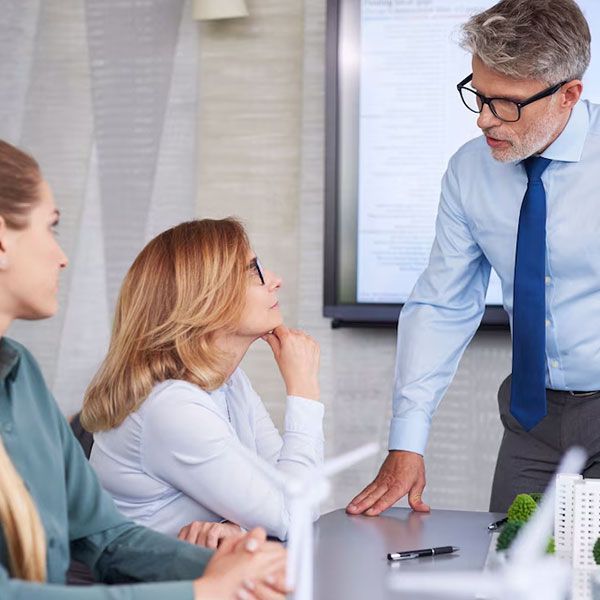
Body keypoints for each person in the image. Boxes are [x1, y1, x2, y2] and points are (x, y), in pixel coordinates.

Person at [0, 138, 288, 599]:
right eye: (50, 228)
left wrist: (228, 566)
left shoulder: (23, 375)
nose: (62, 256)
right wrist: (201, 590)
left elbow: (102, 536)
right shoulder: (171, 403)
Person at [347, 0, 600, 516]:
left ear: (569, 95)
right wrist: (407, 441)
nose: (485, 119)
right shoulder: (469, 171)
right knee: (507, 569)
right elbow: (443, 304)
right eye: (478, 96)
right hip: (534, 419)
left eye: (505, 103)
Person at [80, 218, 323, 546]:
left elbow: (288, 495)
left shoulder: (229, 380)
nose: (275, 281)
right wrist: (303, 389)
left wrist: (239, 528)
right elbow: (295, 512)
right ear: (207, 298)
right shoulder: (170, 406)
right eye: (253, 270)